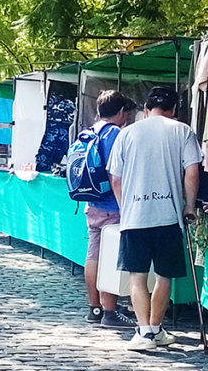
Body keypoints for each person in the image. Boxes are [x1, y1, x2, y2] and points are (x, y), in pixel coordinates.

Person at [108, 87, 201, 351]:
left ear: (146, 109)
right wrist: (190, 206)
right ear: (173, 110)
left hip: (134, 216)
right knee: (164, 276)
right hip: (168, 216)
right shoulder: (182, 131)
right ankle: (156, 328)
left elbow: (116, 178)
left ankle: (145, 332)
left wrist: (125, 207)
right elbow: (191, 172)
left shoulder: (126, 133)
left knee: (137, 277)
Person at [82, 91, 137, 329]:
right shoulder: (116, 134)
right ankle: (110, 311)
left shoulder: (90, 130)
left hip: (92, 203)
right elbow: (119, 173)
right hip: (112, 205)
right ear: (122, 112)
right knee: (109, 259)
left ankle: (94, 308)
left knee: (93, 256)